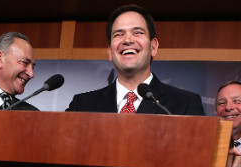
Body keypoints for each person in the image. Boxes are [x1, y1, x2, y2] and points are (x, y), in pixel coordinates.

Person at [66, 4, 204, 115]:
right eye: (119, 34)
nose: (127, 40)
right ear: (109, 52)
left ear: (153, 47)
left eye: (137, 32)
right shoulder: (82, 104)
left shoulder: (185, 103)